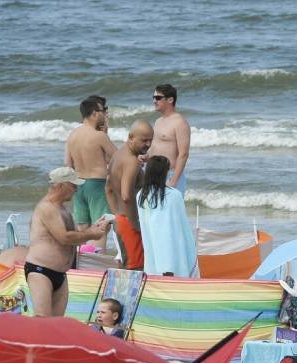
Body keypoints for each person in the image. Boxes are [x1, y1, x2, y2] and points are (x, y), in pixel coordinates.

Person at [26, 167, 110, 316]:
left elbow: (75, 236)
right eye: (73, 185)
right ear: (60, 185)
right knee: (42, 320)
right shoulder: (47, 208)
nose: (76, 189)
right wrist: (91, 234)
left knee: (57, 324)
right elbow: (64, 237)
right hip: (41, 270)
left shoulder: (63, 209)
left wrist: (95, 229)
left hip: (60, 274)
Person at [135, 156, 197, 277]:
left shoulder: (141, 195)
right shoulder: (174, 195)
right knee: (173, 264)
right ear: (165, 173)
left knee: (155, 266)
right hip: (172, 243)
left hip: (153, 242)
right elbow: (182, 227)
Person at [105, 120, 152, 270]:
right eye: (144, 140)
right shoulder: (132, 162)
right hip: (129, 223)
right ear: (131, 137)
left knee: (126, 266)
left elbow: (108, 189)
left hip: (120, 220)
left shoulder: (117, 155)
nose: (148, 144)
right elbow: (126, 195)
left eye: (151, 140)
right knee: (135, 269)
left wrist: (117, 215)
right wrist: (135, 224)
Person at [64, 97, 116, 228]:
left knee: (83, 230)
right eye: (103, 111)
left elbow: (68, 164)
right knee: (101, 229)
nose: (105, 114)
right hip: (97, 184)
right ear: (94, 113)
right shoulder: (99, 136)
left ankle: (84, 250)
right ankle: (97, 249)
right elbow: (118, 158)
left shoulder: (72, 135)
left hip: (78, 184)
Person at [149, 83, 190, 193]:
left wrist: (174, 180)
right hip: (153, 174)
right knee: (154, 209)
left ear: (170, 100)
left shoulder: (179, 122)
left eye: (158, 98)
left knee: (170, 210)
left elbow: (184, 154)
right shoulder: (158, 121)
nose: (154, 101)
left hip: (169, 174)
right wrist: (146, 157)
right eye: (153, 98)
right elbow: (156, 147)